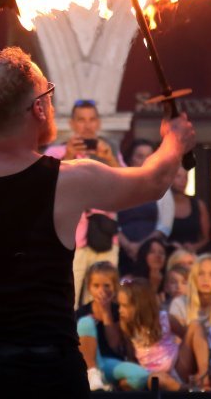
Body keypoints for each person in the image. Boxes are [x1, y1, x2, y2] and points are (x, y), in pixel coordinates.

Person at [0, 0, 196, 397]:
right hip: (46, 373)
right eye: (49, 94)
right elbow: (152, 181)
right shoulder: (69, 180)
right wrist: (175, 141)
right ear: (38, 108)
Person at [45, 99, 124, 309]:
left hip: (105, 238)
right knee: (66, 301)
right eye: (81, 120)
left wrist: (110, 159)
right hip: (69, 239)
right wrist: (69, 156)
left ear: (98, 123)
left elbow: (127, 187)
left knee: (102, 304)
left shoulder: (109, 153)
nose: (87, 125)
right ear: (72, 124)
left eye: (91, 120)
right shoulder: (55, 154)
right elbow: (45, 188)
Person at [76, 262, 143, 392]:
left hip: (111, 363)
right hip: (88, 365)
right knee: (86, 322)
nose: (102, 291)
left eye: (107, 286)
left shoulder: (118, 311)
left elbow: (114, 345)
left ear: (115, 287)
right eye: (96, 286)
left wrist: (106, 312)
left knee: (139, 376)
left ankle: (109, 385)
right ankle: (92, 374)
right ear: (89, 287)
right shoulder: (82, 312)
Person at [117, 277, 187, 391]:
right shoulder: (126, 326)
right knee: (125, 383)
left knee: (196, 327)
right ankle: (181, 389)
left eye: (125, 306)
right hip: (149, 375)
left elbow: (186, 337)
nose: (120, 310)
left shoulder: (165, 318)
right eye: (119, 305)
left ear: (140, 305)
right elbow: (131, 357)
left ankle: (189, 390)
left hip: (175, 366)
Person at [117, 139, 174, 275]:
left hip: (151, 254)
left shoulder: (163, 186)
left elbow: (164, 225)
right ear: (130, 159)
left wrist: (142, 246)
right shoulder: (118, 184)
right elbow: (112, 219)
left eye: (149, 157)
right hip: (122, 251)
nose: (144, 161)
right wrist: (127, 245)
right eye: (139, 156)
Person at [168, 254, 211, 388]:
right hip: (184, 362)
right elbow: (176, 343)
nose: (206, 279)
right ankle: (204, 380)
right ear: (193, 277)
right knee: (195, 325)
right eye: (201, 274)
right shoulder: (179, 303)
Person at [168, 167, 210, 255]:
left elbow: (207, 238)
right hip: (168, 255)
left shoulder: (198, 205)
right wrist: (169, 245)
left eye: (186, 177)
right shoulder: (161, 205)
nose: (182, 181)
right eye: (178, 177)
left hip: (192, 257)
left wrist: (195, 246)